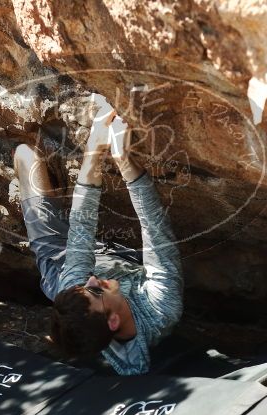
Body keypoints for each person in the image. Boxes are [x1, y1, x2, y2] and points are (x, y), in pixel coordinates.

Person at [13, 97, 183, 375]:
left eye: (87, 286)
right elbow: (156, 229)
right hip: (122, 262)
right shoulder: (161, 310)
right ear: (113, 321)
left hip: (60, 263)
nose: (91, 280)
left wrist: (96, 148)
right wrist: (123, 159)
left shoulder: (73, 287)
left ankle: (45, 190)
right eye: (95, 290)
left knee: (26, 154)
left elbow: (82, 229)